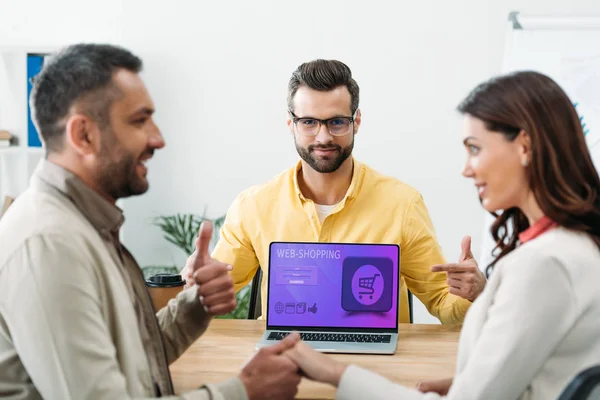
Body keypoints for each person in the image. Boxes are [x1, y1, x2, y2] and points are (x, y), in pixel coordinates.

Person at [0, 43, 302, 400]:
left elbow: (131, 361)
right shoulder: (49, 244)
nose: (157, 138)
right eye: (139, 120)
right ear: (83, 135)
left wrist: (196, 305)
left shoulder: (84, 227)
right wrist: (242, 392)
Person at [281, 71, 600, 399]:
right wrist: (464, 383)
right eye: (308, 122)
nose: (466, 168)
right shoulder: (574, 245)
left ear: (523, 147)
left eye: (475, 148)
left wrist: (335, 373)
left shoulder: (543, 265)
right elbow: (546, 373)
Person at [182, 59, 484, 324]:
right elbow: (210, 298)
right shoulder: (254, 206)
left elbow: (444, 305)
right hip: (282, 360)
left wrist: (475, 294)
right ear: (291, 124)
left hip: (375, 368)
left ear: (357, 121)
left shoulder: (402, 204)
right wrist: (196, 285)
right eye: (309, 122)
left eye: (337, 122)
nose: (323, 136)